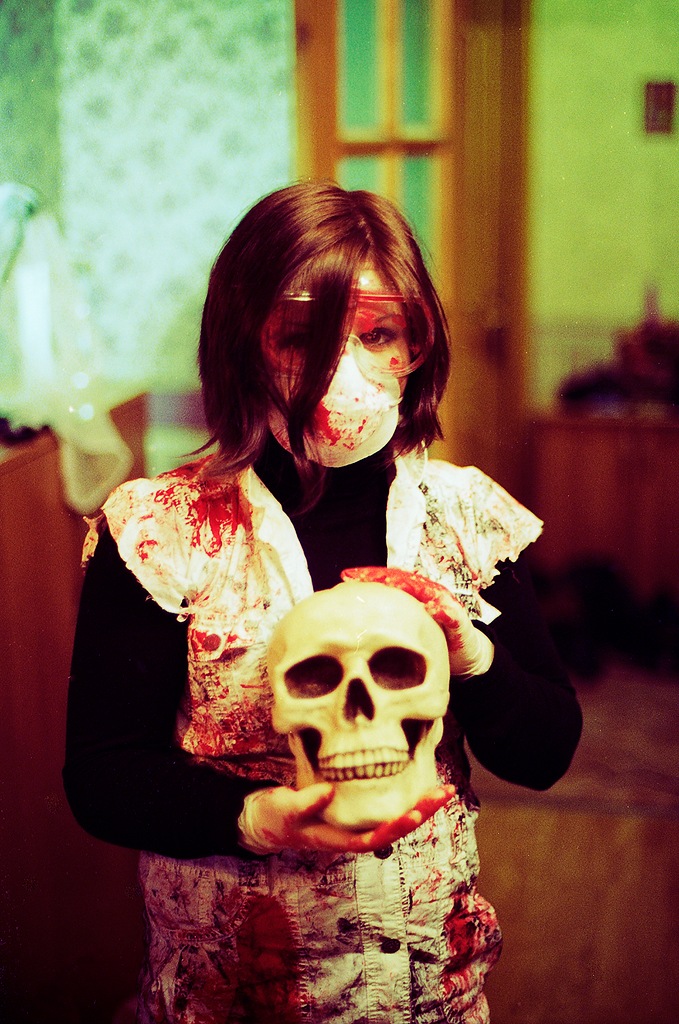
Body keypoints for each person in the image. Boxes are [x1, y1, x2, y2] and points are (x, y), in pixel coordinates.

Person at [64, 181, 582, 1024]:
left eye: (377, 333)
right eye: (301, 337)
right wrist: (255, 819)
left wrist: (472, 657)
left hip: (429, 989)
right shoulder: (160, 534)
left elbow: (546, 751)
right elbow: (102, 775)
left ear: (415, 344)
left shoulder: (464, 521)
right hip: (235, 992)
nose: (342, 372)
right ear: (243, 343)